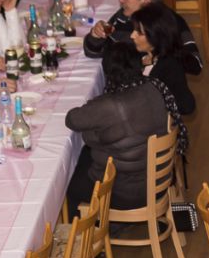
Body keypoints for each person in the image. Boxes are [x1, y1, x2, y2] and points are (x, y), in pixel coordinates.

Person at [64, 41, 188, 216]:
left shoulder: (110, 105)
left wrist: (92, 131)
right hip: (160, 181)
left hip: (129, 193)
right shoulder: (154, 86)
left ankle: (99, 228)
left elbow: (72, 119)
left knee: (68, 183)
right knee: (85, 156)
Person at [83, 0, 203, 77]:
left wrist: (157, 59)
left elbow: (196, 64)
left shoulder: (170, 23)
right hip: (127, 88)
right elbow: (94, 52)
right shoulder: (122, 19)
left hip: (155, 96)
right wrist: (96, 35)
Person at [130, 3, 195, 115]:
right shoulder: (143, 54)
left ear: (155, 37)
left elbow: (187, 106)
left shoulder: (170, 66)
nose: (132, 35)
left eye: (139, 33)